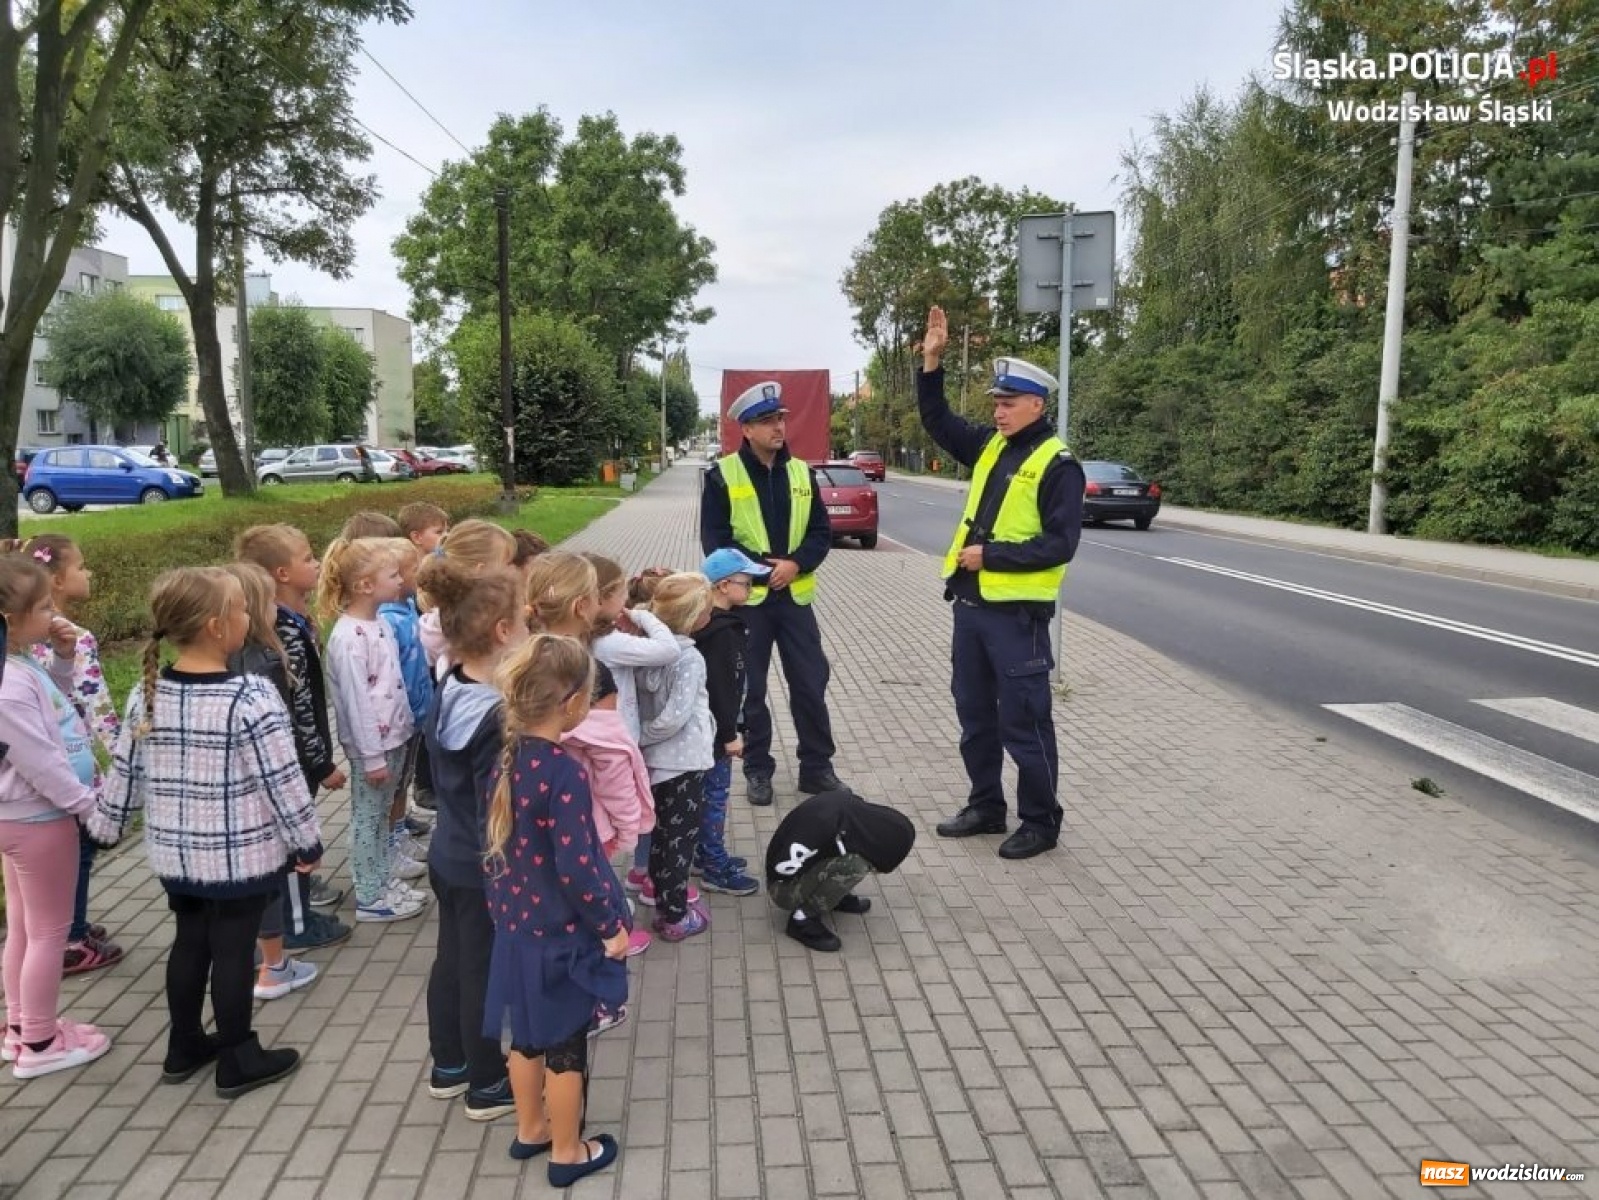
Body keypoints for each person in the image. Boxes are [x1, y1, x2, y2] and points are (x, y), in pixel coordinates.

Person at [91, 567, 320, 1097]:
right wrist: (307, 841)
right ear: (218, 627)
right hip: (239, 859)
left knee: (190, 942)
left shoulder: (148, 695)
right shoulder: (250, 699)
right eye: (241, 609)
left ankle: (184, 1043)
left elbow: (127, 769)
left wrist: (105, 826)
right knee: (233, 949)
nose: (247, 617)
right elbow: (283, 783)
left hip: (176, 859)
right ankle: (238, 1054)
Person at [916, 306, 1086, 861]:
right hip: (971, 608)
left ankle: (1040, 821)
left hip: (1017, 618)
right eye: (995, 401)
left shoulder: (1059, 465)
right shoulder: (993, 446)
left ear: (1037, 405)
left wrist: (991, 555)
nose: (998, 410)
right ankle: (986, 805)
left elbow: (1060, 545)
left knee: (1026, 722)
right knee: (975, 718)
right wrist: (932, 364)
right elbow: (939, 422)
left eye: (1008, 402)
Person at [483, 634, 628, 1186]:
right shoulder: (563, 771)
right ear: (569, 703)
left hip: (516, 927)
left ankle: (531, 1128)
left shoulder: (508, 755)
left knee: (525, 1034)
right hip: (562, 932)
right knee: (567, 1042)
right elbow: (578, 867)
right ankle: (568, 1152)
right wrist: (610, 926)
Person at [699, 380, 845, 806]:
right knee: (751, 690)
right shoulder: (722, 475)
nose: (778, 428)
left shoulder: (802, 473)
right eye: (766, 422)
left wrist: (796, 564)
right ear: (746, 429)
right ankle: (758, 770)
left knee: (810, 685)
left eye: (779, 419)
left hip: (796, 599)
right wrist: (766, 572)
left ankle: (817, 770)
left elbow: (821, 532)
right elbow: (717, 543)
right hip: (750, 604)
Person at [419, 557, 526, 1122]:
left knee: (453, 959)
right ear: (504, 632)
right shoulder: (496, 717)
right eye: (523, 620)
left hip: (449, 853)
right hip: (487, 863)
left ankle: (450, 1065)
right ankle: (487, 1083)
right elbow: (502, 809)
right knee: (483, 969)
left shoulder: (451, 685)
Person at [0, 554, 113, 1079]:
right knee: (49, 931)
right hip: (38, 819)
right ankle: (42, 1044)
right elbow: (40, 759)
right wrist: (87, 807)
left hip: (27, 818)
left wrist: (64, 660)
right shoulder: (8, 682)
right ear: (8, 620)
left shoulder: (22, 665)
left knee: (25, 927)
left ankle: (21, 1027)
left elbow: (60, 712)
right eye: (43, 607)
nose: (53, 615)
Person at [222, 562, 343, 1004]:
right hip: (272, 786)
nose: (278, 608)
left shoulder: (236, 660)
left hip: (238, 798)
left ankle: (253, 951)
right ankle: (282, 946)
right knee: (275, 870)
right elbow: (287, 725)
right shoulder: (267, 662)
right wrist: (315, 763)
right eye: (269, 601)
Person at [23, 534, 125, 976]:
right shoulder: (73, 636)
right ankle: (73, 936)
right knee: (80, 852)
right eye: (81, 567)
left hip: (39, 769)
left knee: (61, 855)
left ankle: (64, 925)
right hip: (73, 763)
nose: (89, 574)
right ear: (58, 581)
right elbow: (95, 702)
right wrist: (124, 759)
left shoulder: (25, 641)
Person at [235, 524, 348, 922]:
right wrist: (320, 762)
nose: (317, 564)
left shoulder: (296, 617)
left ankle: (296, 895)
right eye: (307, 559)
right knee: (291, 834)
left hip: (302, 754)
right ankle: (294, 918)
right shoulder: (282, 630)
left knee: (294, 835)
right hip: (297, 758)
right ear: (282, 574)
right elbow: (298, 705)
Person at [318, 538, 422, 922]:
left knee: (380, 817)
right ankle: (370, 895)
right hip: (373, 748)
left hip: (392, 737)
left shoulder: (376, 623)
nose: (400, 581)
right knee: (369, 818)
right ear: (365, 584)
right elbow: (357, 703)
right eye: (392, 574)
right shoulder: (348, 638)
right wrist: (372, 756)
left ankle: (381, 878)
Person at [636, 573, 715, 942]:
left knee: (662, 834)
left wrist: (643, 742)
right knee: (680, 840)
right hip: (683, 762)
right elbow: (675, 716)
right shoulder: (691, 658)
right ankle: (675, 914)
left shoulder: (649, 651)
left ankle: (657, 889)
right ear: (695, 615)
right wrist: (644, 737)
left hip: (656, 762)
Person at [691, 548, 766, 896]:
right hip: (715, 732)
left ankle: (702, 853)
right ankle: (713, 865)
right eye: (746, 582)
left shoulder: (712, 624)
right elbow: (721, 688)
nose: (751, 588)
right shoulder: (721, 633)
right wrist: (729, 734)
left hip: (710, 729)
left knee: (706, 793)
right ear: (722, 586)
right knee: (715, 795)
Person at [765, 789, 915, 953]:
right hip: (782, 887)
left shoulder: (848, 812)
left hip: (795, 867)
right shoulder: (827, 825)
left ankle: (833, 896)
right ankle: (803, 920)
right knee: (855, 866)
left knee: (855, 855)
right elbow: (783, 868)